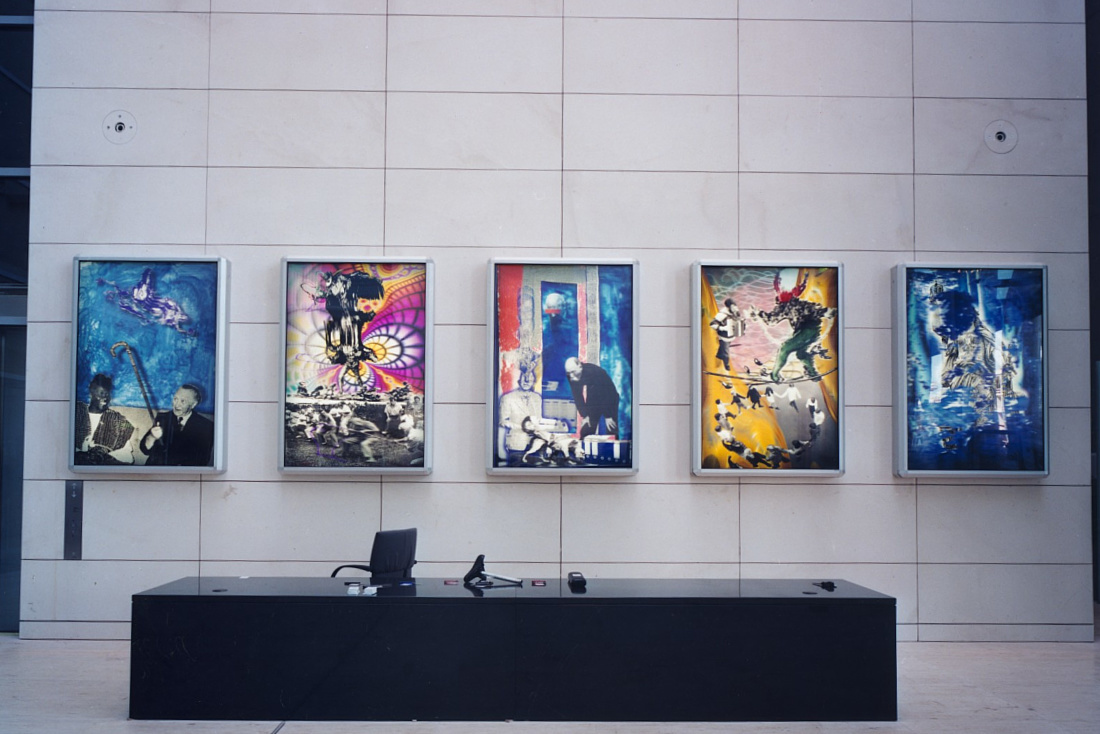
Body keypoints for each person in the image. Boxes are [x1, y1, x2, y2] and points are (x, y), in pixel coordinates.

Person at [139, 384, 214, 466]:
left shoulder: (206, 426)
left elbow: (203, 460)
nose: (176, 405)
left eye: (183, 401)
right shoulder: (163, 418)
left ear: (193, 404)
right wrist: (152, 437)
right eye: (175, 399)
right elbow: (144, 450)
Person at [74, 373, 135, 465]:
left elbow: (127, 458)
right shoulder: (77, 412)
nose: (105, 399)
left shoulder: (118, 420)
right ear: (92, 393)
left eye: (107, 395)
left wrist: (102, 456)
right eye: (101, 394)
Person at [564, 357, 620, 440]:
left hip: (609, 398)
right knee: (586, 430)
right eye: (569, 373)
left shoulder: (595, 372)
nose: (571, 375)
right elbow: (577, 396)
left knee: (611, 427)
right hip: (593, 399)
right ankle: (583, 451)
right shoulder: (571, 375)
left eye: (573, 372)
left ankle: (614, 450)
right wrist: (585, 415)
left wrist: (608, 415)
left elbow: (606, 393)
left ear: (579, 366)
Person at [709, 298, 745, 372]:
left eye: (734, 305)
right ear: (728, 307)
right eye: (732, 306)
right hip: (723, 336)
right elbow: (712, 324)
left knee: (724, 348)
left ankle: (719, 356)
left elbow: (738, 320)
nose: (734, 307)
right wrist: (723, 328)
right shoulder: (722, 314)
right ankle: (726, 365)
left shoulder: (735, 312)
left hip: (731, 336)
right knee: (725, 352)